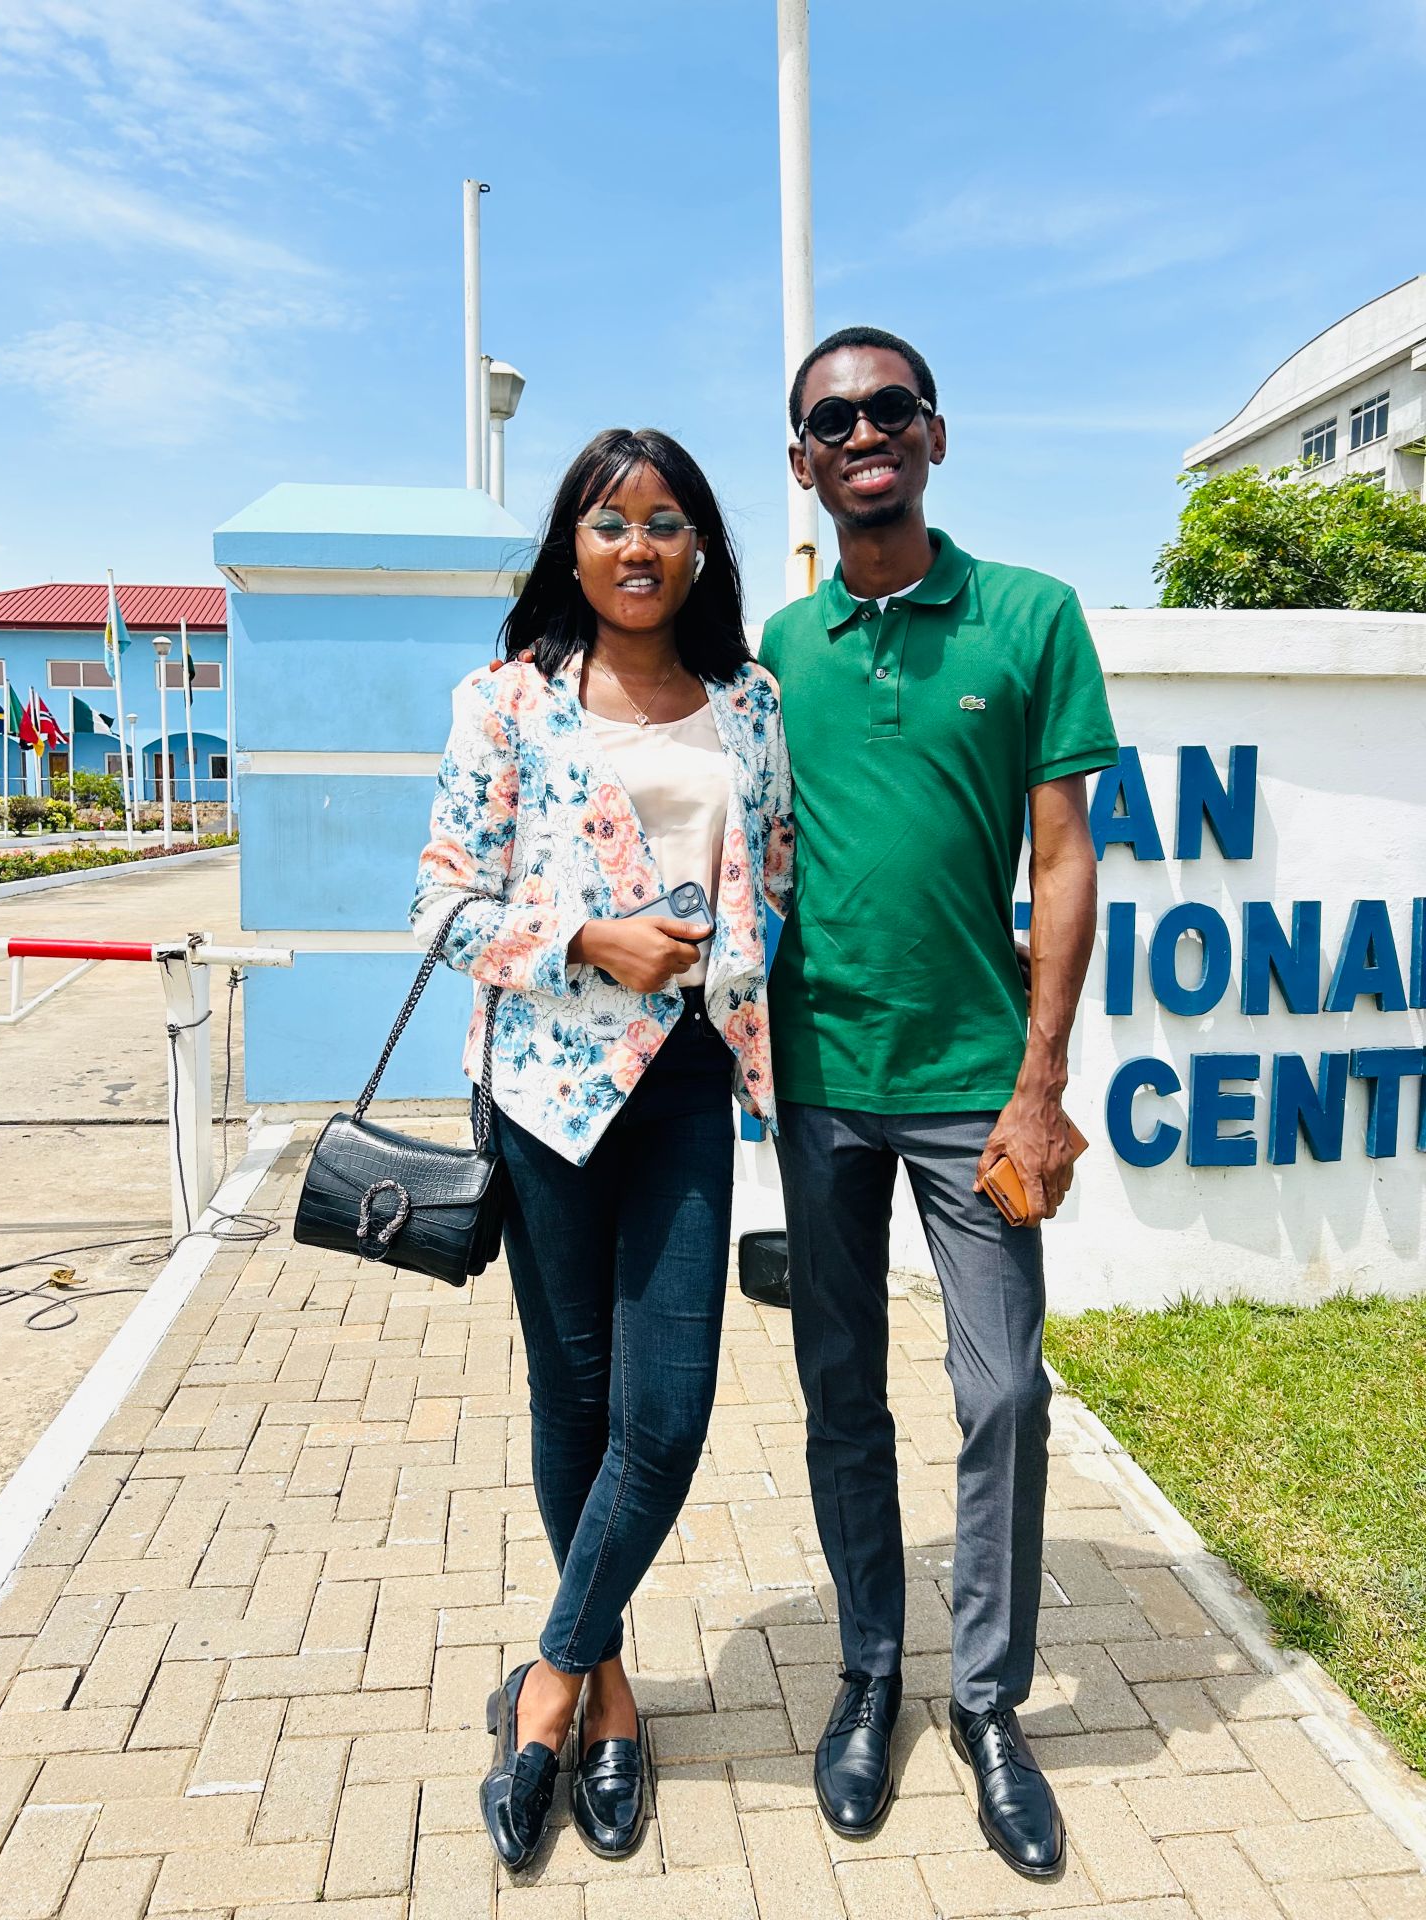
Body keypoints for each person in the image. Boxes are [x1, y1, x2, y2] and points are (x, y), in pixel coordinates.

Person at [759, 327, 1117, 1879]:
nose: (864, 433)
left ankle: (987, 1705)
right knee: (842, 1392)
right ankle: (866, 1678)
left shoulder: (1030, 617)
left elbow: (1064, 856)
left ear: (935, 434)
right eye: (834, 418)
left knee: (1005, 1394)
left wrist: (1043, 1083)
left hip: (979, 1088)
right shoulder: (780, 648)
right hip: (819, 1086)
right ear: (802, 460)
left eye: (889, 408)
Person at [410, 428, 793, 1871]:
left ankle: (549, 1681)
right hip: (549, 1096)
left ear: (701, 548)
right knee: (574, 1400)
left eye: (667, 520)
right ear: (570, 548)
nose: (640, 546)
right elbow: (441, 904)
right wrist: (587, 937)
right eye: (611, 521)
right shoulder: (506, 701)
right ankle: (615, 1692)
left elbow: (777, 873)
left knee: (668, 1413)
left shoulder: (748, 703)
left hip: (687, 1080)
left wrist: (733, 964)